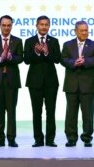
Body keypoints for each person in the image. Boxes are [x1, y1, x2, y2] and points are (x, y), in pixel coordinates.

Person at [61, 21, 94, 147]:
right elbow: (63, 59)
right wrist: (73, 63)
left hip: (88, 85)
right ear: (75, 31)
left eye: (86, 30)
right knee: (71, 113)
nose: (84, 33)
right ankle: (71, 138)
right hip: (71, 84)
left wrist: (85, 62)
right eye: (82, 30)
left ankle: (87, 137)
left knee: (88, 113)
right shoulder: (67, 45)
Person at [24, 15, 61, 147]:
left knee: (51, 111)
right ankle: (38, 139)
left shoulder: (54, 41)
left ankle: (50, 139)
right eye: (41, 24)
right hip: (34, 82)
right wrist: (36, 52)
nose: (44, 27)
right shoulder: (29, 41)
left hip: (51, 82)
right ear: (37, 26)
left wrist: (46, 52)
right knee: (36, 112)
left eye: (46, 24)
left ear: (49, 26)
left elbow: (57, 59)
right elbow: (26, 60)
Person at [0, 15, 23, 147]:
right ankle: (0, 139)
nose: (6, 27)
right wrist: (0, 59)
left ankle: (11, 138)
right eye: (4, 25)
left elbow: (21, 58)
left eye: (9, 25)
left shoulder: (17, 41)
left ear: (11, 26)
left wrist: (11, 57)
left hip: (12, 80)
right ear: (0, 25)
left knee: (11, 111)